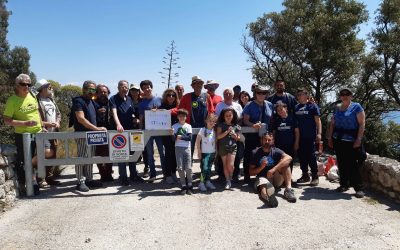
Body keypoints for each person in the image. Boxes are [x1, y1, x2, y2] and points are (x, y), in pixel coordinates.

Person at [3, 74, 44, 195]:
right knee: (24, 160)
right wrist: (25, 123)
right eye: (23, 84)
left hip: (38, 133)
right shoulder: (12, 100)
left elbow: (37, 112)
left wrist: (42, 125)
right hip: (22, 135)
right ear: (17, 85)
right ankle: (27, 184)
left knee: (42, 155)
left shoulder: (32, 95)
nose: (26, 86)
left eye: (29, 84)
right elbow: (7, 120)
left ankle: (35, 180)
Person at [327, 88, 365, 198]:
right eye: (342, 94)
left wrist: (359, 139)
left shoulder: (356, 107)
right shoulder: (337, 108)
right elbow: (332, 124)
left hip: (351, 141)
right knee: (341, 163)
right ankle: (344, 184)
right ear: (340, 96)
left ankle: (359, 188)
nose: (345, 96)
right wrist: (329, 138)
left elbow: (362, 124)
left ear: (351, 96)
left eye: (347, 94)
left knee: (352, 164)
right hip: (338, 139)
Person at [71, 80, 105, 192]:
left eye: (94, 90)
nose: (92, 92)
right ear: (84, 89)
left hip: (92, 135)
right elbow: (81, 118)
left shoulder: (91, 101)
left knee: (90, 157)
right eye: (90, 89)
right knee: (82, 157)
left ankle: (89, 179)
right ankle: (80, 181)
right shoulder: (78, 101)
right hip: (82, 134)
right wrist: (97, 129)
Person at [109, 80, 143, 186]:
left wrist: (136, 119)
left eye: (126, 87)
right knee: (121, 155)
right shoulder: (113, 99)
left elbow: (132, 112)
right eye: (123, 86)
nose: (125, 88)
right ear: (118, 87)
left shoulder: (129, 99)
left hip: (132, 130)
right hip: (120, 132)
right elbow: (114, 112)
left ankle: (133, 175)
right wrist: (118, 124)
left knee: (133, 154)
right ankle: (123, 177)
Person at [249, 133, 297, 207]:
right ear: (261, 140)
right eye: (265, 140)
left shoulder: (276, 151)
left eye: (269, 140)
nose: (267, 142)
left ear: (273, 141)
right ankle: (268, 198)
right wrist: (261, 167)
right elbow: (251, 172)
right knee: (263, 185)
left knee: (285, 164)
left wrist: (274, 169)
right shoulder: (255, 152)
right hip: (264, 178)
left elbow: (289, 158)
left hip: (275, 177)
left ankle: (288, 190)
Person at [242, 85, 274, 182]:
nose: (261, 95)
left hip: (265, 135)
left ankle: (262, 175)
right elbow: (245, 120)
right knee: (249, 154)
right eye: (259, 92)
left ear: (266, 94)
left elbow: (271, 120)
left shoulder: (270, 105)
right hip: (252, 135)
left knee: (263, 154)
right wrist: (253, 125)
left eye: (263, 93)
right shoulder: (249, 105)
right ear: (255, 93)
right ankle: (247, 175)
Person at [178, 76, 215, 157]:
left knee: (204, 149)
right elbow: (180, 111)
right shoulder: (186, 97)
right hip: (190, 128)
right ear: (192, 86)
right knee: (189, 149)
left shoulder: (207, 96)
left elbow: (211, 111)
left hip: (204, 128)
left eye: (200, 83)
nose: (198, 85)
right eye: (196, 83)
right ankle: (188, 167)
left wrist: (210, 124)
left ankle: (204, 168)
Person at [35, 79, 62, 186]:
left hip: (53, 132)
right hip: (43, 132)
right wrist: (46, 124)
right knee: (45, 153)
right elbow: (35, 117)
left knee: (53, 154)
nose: (51, 89)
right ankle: (41, 179)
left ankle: (49, 178)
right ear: (42, 88)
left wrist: (57, 122)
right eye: (49, 87)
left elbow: (58, 114)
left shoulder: (52, 100)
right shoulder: (36, 101)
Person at [139, 80, 166, 182]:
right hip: (148, 131)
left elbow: (165, 113)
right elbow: (141, 117)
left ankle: (165, 173)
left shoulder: (160, 99)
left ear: (151, 87)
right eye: (144, 88)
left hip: (159, 131)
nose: (147, 89)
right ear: (142, 90)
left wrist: (158, 111)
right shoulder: (142, 103)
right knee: (150, 154)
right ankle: (153, 174)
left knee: (162, 152)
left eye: (148, 87)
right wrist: (141, 130)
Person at [215, 88, 244, 182]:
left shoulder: (238, 105)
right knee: (222, 159)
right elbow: (216, 118)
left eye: (229, 93)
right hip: (222, 132)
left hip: (235, 129)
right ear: (223, 95)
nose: (228, 95)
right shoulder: (219, 105)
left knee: (236, 157)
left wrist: (236, 131)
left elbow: (241, 118)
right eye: (225, 93)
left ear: (233, 95)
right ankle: (222, 176)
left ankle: (235, 175)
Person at [294, 88, 322, 186]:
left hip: (310, 136)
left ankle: (315, 176)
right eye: (298, 95)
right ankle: (305, 175)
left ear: (306, 95)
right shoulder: (296, 107)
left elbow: (318, 121)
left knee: (311, 156)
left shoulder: (312, 106)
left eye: (301, 94)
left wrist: (319, 133)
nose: (299, 96)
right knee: (302, 157)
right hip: (299, 137)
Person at [217, 107, 242, 190]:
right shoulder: (220, 125)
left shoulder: (237, 126)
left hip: (233, 147)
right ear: (223, 116)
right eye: (226, 115)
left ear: (233, 116)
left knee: (230, 165)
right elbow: (218, 137)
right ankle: (228, 181)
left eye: (230, 115)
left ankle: (230, 177)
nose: (228, 116)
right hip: (223, 147)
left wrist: (235, 136)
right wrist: (227, 132)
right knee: (225, 164)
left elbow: (238, 138)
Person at [93, 84, 113, 182]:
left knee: (110, 152)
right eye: (101, 92)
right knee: (99, 153)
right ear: (97, 93)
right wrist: (97, 112)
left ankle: (109, 173)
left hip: (110, 131)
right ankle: (102, 173)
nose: (103, 93)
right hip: (97, 132)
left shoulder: (111, 103)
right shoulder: (92, 103)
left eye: (105, 92)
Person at [271, 101, 299, 173]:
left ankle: (289, 178)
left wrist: (296, 143)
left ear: (286, 108)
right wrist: (273, 142)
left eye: (281, 109)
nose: (279, 111)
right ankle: (281, 178)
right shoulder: (276, 120)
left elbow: (297, 132)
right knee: (280, 161)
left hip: (290, 144)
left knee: (289, 161)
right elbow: (274, 132)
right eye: (278, 110)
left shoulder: (292, 118)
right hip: (279, 145)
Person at [159, 88, 180, 184]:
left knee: (175, 154)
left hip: (177, 134)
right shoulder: (161, 107)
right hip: (166, 134)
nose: (171, 97)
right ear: (165, 96)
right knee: (168, 154)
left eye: (173, 95)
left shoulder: (179, 106)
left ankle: (174, 172)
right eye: (168, 95)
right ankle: (167, 175)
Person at [172, 109, 193, 195]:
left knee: (188, 168)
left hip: (187, 148)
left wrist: (179, 137)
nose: (181, 117)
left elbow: (189, 138)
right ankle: (183, 185)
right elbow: (173, 139)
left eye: (183, 116)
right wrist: (173, 135)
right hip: (178, 148)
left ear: (186, 117)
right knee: (180, 168)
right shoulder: (174, 126)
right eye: (180, 116)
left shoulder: (188, 126)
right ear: (177, 117)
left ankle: (190, 185)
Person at [195, 113, 217, 192]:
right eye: (210, 121)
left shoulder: (214, 131)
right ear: (206, 121)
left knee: (209, 168)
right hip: (204, 153)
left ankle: (208, 181)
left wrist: (216, 152)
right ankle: (201, 183)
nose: (211, 122)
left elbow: (215, 142)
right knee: (204, 168)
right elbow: (198, 140)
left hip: (212, 153)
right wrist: (199, 151)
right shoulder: (202, 130)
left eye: (213, 121)